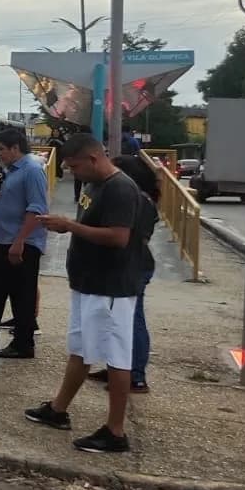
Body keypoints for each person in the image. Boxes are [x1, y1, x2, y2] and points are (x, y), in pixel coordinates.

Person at [24, 134, 143, 454]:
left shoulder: (120, 188)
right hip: (88, 284)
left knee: (116, 357)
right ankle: (58, 409)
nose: (71, 172)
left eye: (75, 166)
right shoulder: (93, 185)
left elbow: (119, 237)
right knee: (80, 349)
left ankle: (115, 432)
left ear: (93, 159)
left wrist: (69, 226)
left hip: (110, 288)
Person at [0, 129, 49, 358]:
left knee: (21, 294)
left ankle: (23, 343)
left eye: (1, 150)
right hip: (4, 241)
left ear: (15, 147)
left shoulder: (32, 170)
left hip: (20, 243)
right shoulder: (11, 170)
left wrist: (20, 242)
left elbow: (36, 209)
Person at [89, 154, 159, 391]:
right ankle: (117, 368)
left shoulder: (139, 200)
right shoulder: (134, 197)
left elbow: (129, 236)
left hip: (134, 266)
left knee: (133, 319)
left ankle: (136, 375)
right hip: (126, 265)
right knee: (118, 320)